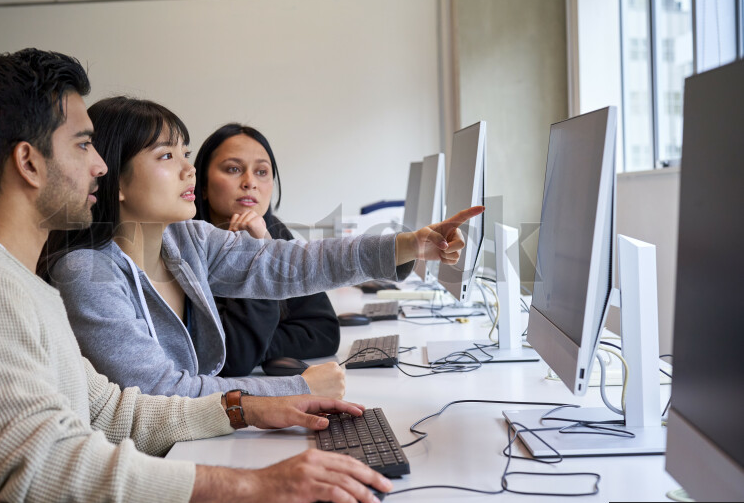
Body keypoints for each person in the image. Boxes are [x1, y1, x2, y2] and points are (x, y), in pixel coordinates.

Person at [0, 49, 404, 503]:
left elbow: (112, 412)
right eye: (82, 145)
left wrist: (244, 408)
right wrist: (255, 485)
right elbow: (48, 473)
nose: (99, 165)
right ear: (29, 162)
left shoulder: (22, 284)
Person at [39, 96, 482, 404]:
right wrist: (297, 390)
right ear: (114, 178)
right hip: (150, 468)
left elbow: (292, 263)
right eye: (166, 157)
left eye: (186, 154)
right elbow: (161, 395)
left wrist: (409, 244)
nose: (189, 170)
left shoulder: (184, 240)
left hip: (200, 436)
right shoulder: (88, 273)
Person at [193, 123, 339, 377]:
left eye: (262, 171)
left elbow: (324, 330)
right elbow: (234, 356)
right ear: (202, 185)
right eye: (233, 169)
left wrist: (257, 347)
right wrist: (251, 254)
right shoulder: (185, 247)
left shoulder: (273, 230)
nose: (250, 182)